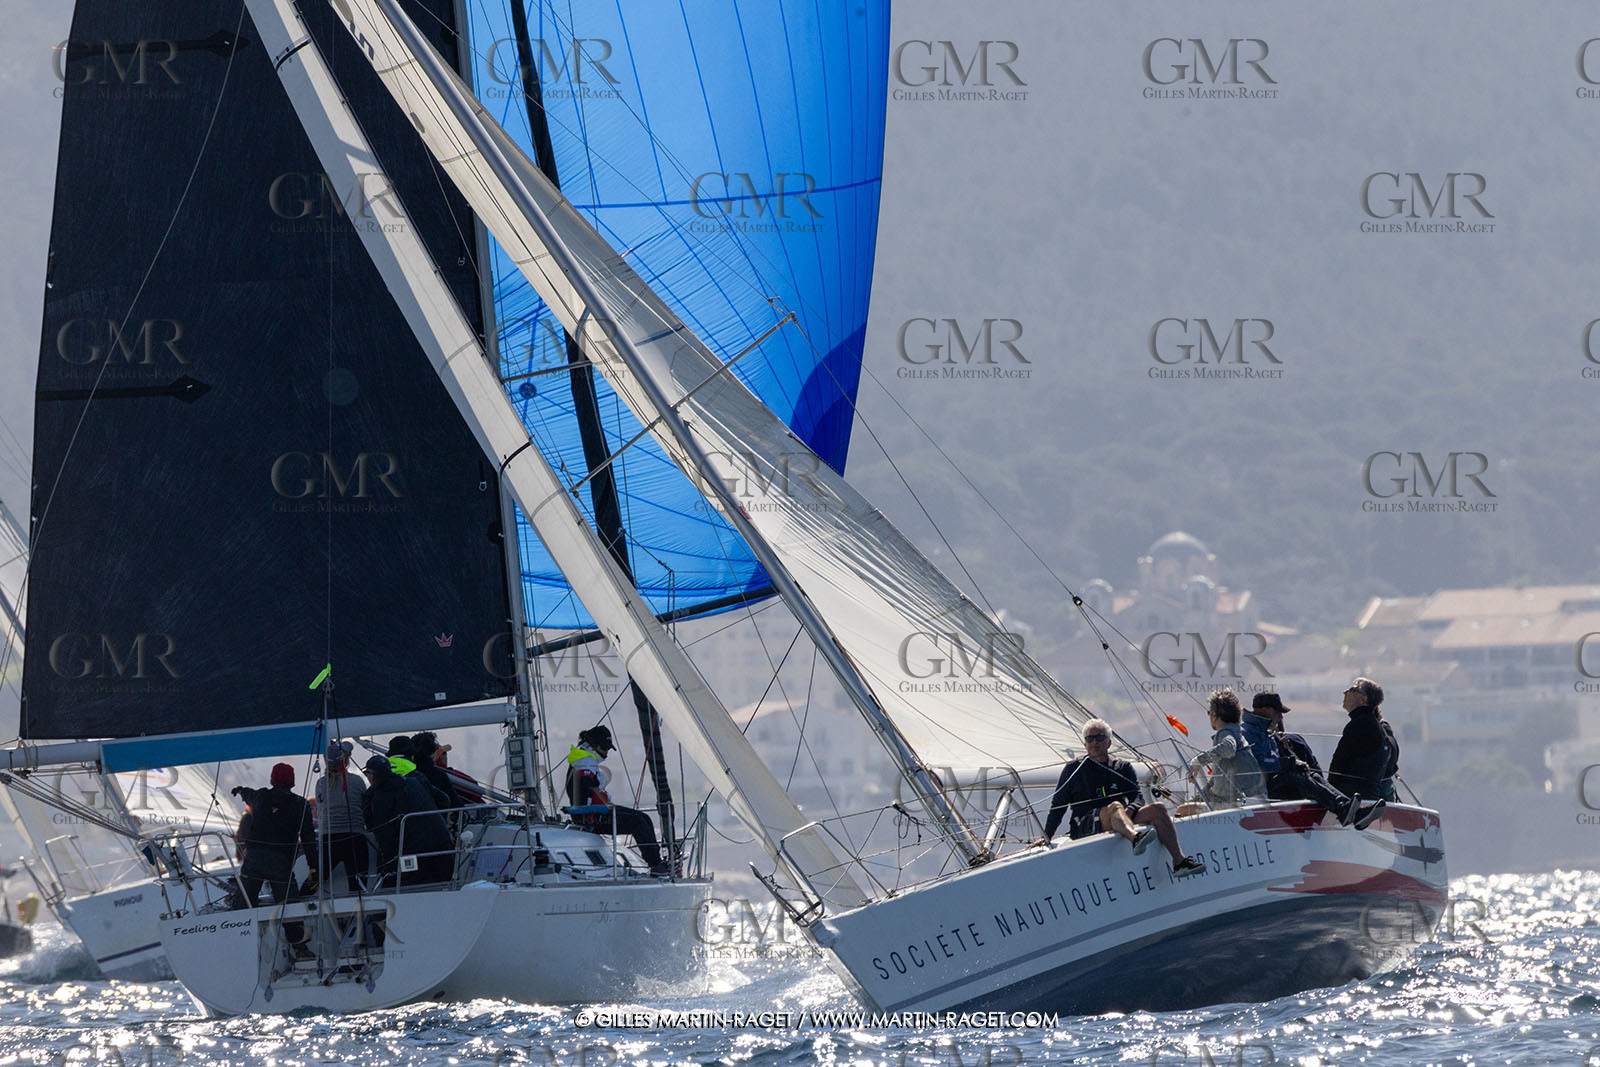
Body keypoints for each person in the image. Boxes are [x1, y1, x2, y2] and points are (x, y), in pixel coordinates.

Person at [1038, 719, 1204, 877]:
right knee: (1115, 806)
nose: (1095, 742)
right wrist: (1047, 836)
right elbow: (1058, 805)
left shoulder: (1122, 767)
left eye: (1100, 737)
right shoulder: (1073, 769)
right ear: (1085, 744)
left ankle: (1179, 861)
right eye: (1090, 739)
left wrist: (1131, 809)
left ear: (1109, 742)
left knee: (1158, 809)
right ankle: (1135, 838)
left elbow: (1137, 797)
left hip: (1119, 817)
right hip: (1086, 823)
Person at [1255, 692, 1385, 829]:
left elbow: (1313, 768)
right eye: (1278, 713)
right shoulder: (1255, 734)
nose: (1281, 717)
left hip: (1281, 784)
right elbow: (1263, 763)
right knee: (1300, 775)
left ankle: (1350, 810)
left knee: (1311, 775)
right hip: (1269, 788)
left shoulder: (1276, 737)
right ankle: (1346, 810)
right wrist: (1290, 762)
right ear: (1265, 710)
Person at [564, 725, 668, 874]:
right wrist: (589, 816)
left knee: (644, 818)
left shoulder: (584, 758)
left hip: (600, 811)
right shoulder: (583, 762)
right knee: (638, 822)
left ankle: (656, 862)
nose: (606, 753)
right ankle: (655, 864)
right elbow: (583, 793)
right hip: (592, 816)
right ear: (595, 745)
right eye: (605, 748)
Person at [230, 763, 317, 907]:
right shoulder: (300, 804)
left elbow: (248, 793)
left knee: (243, 908)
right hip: (280, 862)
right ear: (292, 781)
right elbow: (308, 838)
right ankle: (293, 929)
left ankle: (241, 928)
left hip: (253, 860)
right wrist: (314, 867)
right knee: (290, 911)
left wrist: (239, 790)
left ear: (272, 779)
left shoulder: (260, 796)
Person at [362, 756, 455, 886]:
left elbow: (384, 834)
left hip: (414, 856)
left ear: (372, 775)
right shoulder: (415, 781)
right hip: (443, 847)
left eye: (367, 773)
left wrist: (388, 865)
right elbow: (444, 800)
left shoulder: (380, 797)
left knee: (405, 889)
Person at [1188, 689, 1265, 805]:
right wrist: (1194, 801)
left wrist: (1198, 761)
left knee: (1182, 812)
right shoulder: (1237, 731)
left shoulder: (1226, 731)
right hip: (1255, 798)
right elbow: (1215, 783)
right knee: (1186, 807)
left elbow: (1228, 748)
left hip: (1238, 802)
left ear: (1214, 715)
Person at [314, 740, 370, 893]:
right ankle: (360, 915)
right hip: (354, 837)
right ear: (346, 760)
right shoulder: (357, 781)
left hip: (329, 838)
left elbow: (320, 809)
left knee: (316, 880)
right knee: (358, 886)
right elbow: (365, 808)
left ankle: (297, 900)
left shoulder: (320, 783)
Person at [1330, 677, 1394, 801]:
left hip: (1351, 796)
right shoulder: (1374, 725)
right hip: (1370, 795)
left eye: (1352, 689)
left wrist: (1329, 790)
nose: (1345, 692)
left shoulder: (1360, 724)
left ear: (1363, 699)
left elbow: (1339, 762)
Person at [409, 731, 462, 810]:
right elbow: (456, 804)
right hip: (437, 819)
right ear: (433, 754)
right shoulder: (439, 776)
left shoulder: (406, 775)